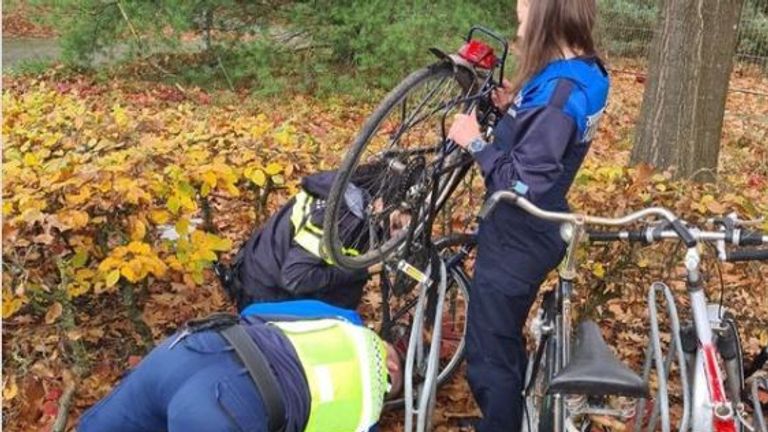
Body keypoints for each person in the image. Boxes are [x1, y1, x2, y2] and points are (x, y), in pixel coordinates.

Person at [446, 0, 610, 430]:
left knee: (489, 349)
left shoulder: (559, 95)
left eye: (524, 8)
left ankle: (500, 425)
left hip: (520, 232)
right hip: (540, 227)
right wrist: (513, 112)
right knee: (503, 332)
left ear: (547, 14)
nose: (518, 15)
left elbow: (521, 186)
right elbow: (545, 143)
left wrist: (476, 142)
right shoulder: (584, 71)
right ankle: (511, 415)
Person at [77, 299, 403, 432]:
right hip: (229, 409)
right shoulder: (365, 414)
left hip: (190, 351)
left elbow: (253, 310)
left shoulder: (343, 322)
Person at [219, 163, 409, 312]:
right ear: (381, 203)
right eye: (396, 225)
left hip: (257, 273)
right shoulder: (343, 222)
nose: (395, 235)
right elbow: (295, 278)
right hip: (264, 297)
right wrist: (365, 269)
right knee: (351, 279)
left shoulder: (345, 189)